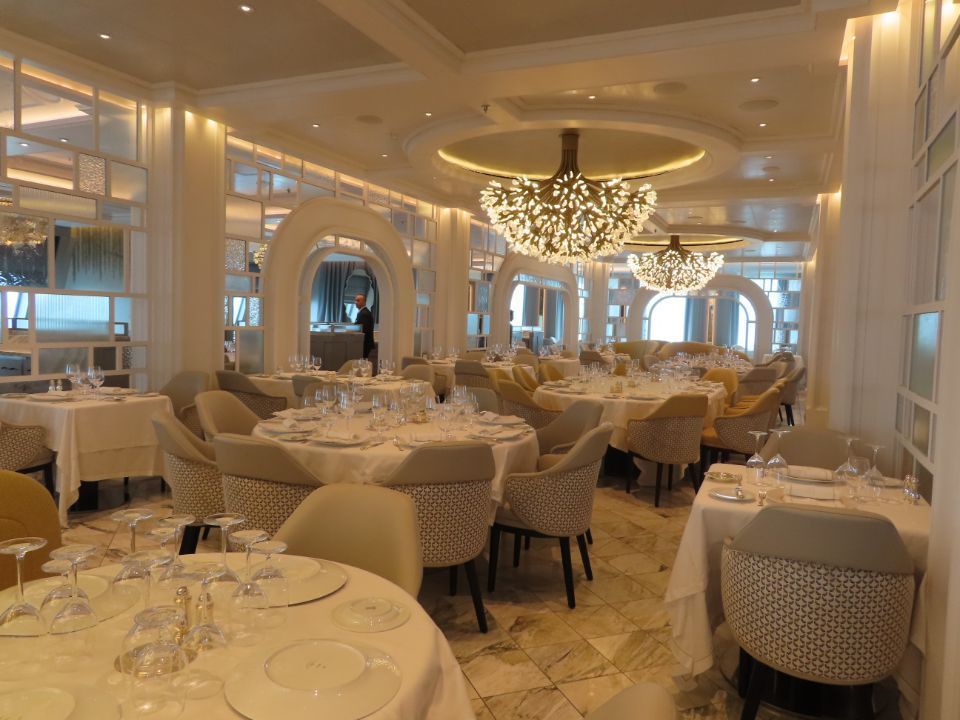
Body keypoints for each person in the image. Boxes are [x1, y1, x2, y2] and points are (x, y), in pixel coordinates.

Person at [354, 293, 375, 359]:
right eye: (355, 300)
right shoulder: (362, 312)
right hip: (364, 343)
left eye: (358, 300)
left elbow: (362, 329)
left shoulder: (364, 313)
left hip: (364, 343)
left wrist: (351, 330)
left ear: (364, 302)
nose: (355, 302)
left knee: (362, 364)